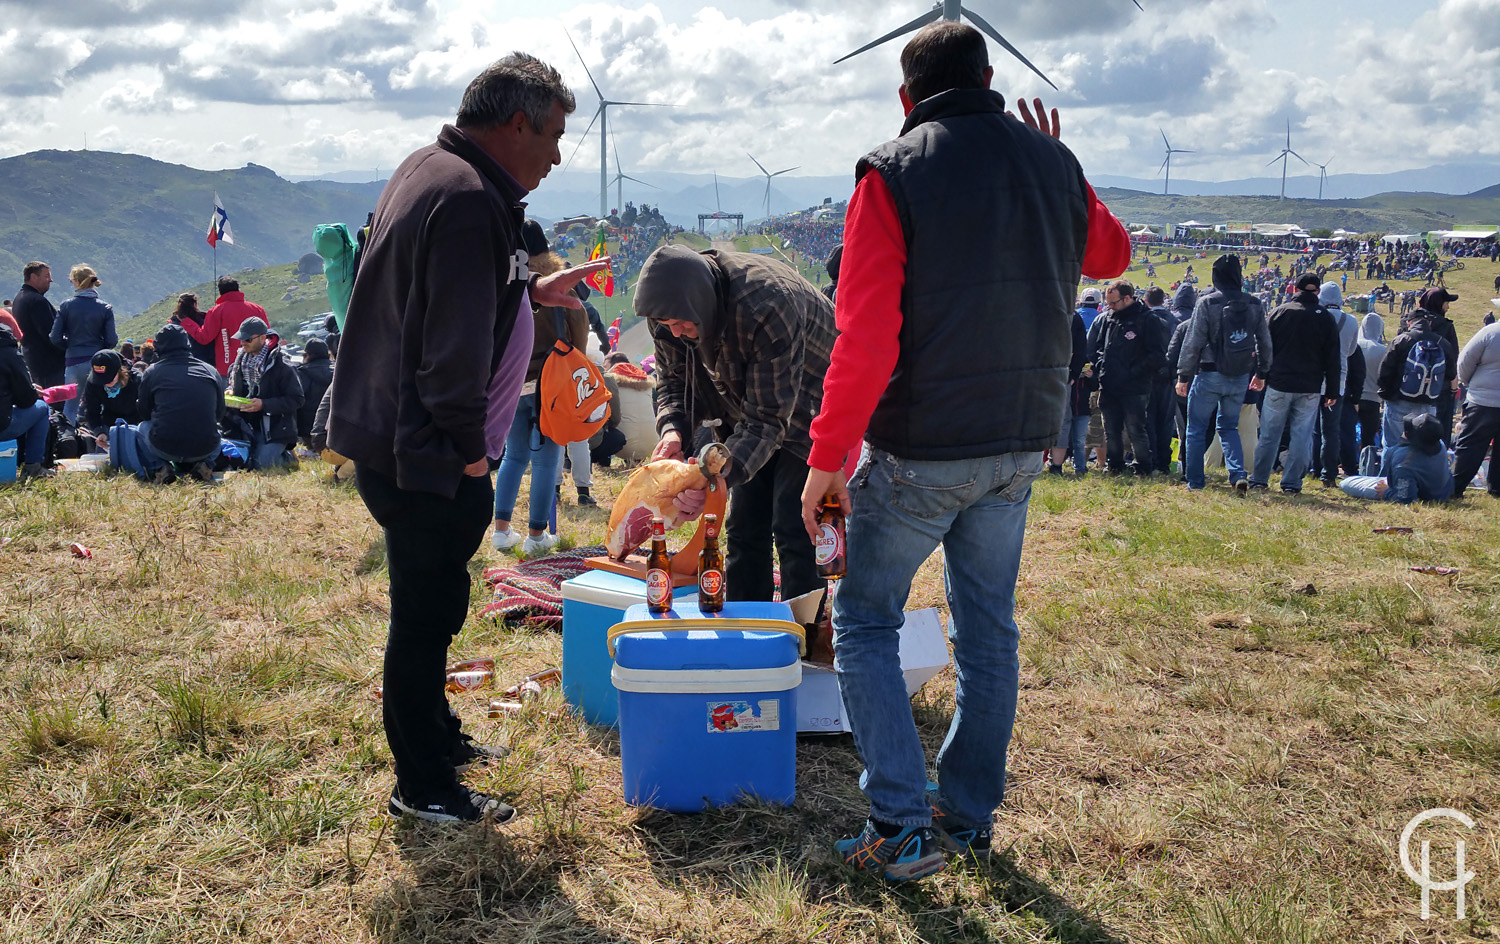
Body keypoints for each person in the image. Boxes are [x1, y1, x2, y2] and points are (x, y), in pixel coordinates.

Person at [798, 21, 1128, 881]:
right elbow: (1112, 254)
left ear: (906, 99)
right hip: (1023, 441)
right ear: (990, 75)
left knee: (866, 621)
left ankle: (901, 826)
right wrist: (1068, 169)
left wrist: (827, 458)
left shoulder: (893, 172)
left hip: (922, 450)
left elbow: (863, 335)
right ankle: (968, 816)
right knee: (988, 631)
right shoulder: (1051, 164)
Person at [327, 54, 605, 825]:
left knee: (436, 605)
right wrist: (472, 452)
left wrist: (532, 288)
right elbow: (447, 351)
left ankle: (439, 741)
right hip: (429, 456)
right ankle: (423, 786)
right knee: (423, 615)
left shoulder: (443, 173)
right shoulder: (466, 200)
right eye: (552, 136)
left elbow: (458, 292)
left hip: (408, 443)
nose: (555, 155)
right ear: (515, 123)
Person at [635, 242, 835, 605]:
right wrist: (674, 431)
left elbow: (769, 418)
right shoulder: (670, 311)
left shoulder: (766, 305)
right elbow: (673, 382)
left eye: (683, 324)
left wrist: (716, 475)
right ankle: (749, 622)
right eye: (667, 326)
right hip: (744, 402)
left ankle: (804, 634)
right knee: (742, 527)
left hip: (812, 400)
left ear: (703, 303)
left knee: (794, 525)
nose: (676, 333)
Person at [491, 222, 589, 555]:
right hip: (553, 388)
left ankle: (501, 532)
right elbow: (580, 335)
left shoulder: (503, 287)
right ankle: (537, 536)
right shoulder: (559, 289)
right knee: (548, 462)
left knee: (513, 457)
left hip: (511, 385)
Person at [1175, 254, 1271, 492]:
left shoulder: (1208, 303)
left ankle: (1195, 481)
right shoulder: (1255, 304)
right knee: (1228, 427)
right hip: (1239, 375)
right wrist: (1261, 373)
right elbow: (1264, 342)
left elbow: (1193, 341)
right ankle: (1237, 473)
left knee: (1196, 428)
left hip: (1209, 373)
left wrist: (1183, 375)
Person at [1248, 273, 1341, 493]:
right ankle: (1291, 483)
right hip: (1310, 386)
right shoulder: (1326, 317)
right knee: (1302, 437)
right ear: (1317, 291)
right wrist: (1332, 390)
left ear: (1294, 289)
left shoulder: (1280, 312)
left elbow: (1264, 346)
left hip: (1279, 382)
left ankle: (1260, 479)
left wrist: (1260, 374)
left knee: (1270, 434)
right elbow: (1333, 358)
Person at [1088, 279, 1168, 475]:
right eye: (1108, 303)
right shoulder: (1108, 318)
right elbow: (1097, 348)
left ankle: (1143, 466)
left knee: (1135, 429)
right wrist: (1102, 367)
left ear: (1126, 298)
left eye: (1113, 303)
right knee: (1111, 429)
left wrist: (1133, 372)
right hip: (1109, 383)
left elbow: (1157, 355)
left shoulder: (1147, 320)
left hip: (1135, 386)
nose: (1110, 307)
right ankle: (1114, 465)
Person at [135, 323, 225, 483]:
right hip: (204, 448)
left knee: (142, 428)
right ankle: (205, 465)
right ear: (187, 343)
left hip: (165, 447)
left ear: (158, 347)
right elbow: (219, 413)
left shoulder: (152, 372)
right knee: (217, 431)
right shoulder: (210, 370)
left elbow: (144, 412)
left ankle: (160, 468)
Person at [224, 318, 304, 469]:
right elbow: (235, 385)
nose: (243, 343)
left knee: (262, 465)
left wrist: (264, 405)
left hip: (275, 428)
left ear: (262, 338)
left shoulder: (282, 364)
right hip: (246, 425)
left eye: (247, 339)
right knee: (240, 462)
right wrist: (231, 391)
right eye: (241, 338)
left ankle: (288, 457)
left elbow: (297, 399)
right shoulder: (239, 362)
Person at [1377, 306, 1456, 454]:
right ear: (1429, 323)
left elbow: (1384, 373)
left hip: (1399, 401)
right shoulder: (1443, 343)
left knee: (1392, 446)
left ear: (1409, 323)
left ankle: (1389, 476)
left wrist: (1386, 395)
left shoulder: (1400, 340)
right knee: (1423, 448)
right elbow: (1451, 374)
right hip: (1428, 405)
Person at [49, 264, 118, 424]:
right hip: (97, 363)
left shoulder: (66, 306)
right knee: (101, 403)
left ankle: (68, 441)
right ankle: (101, 441)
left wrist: (70, 346)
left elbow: (55, 337)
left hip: (73, 361)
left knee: (71, 406)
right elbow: (112, 340)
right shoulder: (105, 308)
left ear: (76, 282)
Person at [1340, 412, 1453, 503]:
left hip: (1417, 491)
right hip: (1440, 491)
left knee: (1346, 483)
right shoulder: (1440, 444)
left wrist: (1386, 493)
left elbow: (1405, 498)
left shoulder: (1404, 462)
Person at [1451, 316, 1500, 498]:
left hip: (1482, 401)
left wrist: (1469, 383)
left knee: (1470, 446)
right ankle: (1496, 489)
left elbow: (1465, 361)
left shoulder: (1490, 332)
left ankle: (1456, 487)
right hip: (1483, 398)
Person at [179, 276, 266, 376]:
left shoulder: (216, 311)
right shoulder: (258, 309)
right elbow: (267, 336)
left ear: (220, 292)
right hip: (257, 367)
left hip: (227, 369)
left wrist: (186, 322)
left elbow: (204, 338)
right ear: (237, 289)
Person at [0, 323, 54, 480]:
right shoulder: (8, 353)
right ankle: (33, 467)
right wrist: (31, 390)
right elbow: (26, 400)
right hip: (2, 425)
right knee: (42, 408)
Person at [80, 349, 144, 450]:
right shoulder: (93, 383)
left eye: (109, 379)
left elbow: (147, 409)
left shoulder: (137, 380)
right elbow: (91, 410)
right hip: (109, 424)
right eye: (101, 380)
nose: (106, 383)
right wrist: (99, 431)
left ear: (120, 370)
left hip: (136, 424)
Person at [12, 262, 63, 387]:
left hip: (32, 360)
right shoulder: (37, 301)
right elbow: (50, 334)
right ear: (34, 277)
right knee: (57, 402)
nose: (50, 280)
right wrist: (68, 349)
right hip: (49, 365)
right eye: (46, 276)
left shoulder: (19, 298)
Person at [294, 337, 334, 451]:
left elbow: (297, 400)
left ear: (308, 355)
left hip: (309, 430)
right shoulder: (338, 370)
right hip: (335, 427)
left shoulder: (301, 373)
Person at [1355, 312, 1387, 452]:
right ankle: (1366, 466)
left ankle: (1346, 463)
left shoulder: (1355, 345)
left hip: (1352, 397)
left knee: (1347, 433)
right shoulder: (1383, 350)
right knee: (1368, 439)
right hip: (1373, 399)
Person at [170, 292, 217, 366]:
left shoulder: (173, 325)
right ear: (195, 304)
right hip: (207, 364)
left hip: (183, 365)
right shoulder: (205, 320)